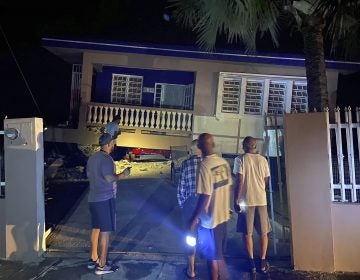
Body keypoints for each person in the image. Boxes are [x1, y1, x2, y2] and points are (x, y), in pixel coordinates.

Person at [189, 133, 232, 280]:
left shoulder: (204, 166)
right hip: (223, 218)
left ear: (199, 147)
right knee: (218, 255)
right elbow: (227, 188)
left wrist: (194, 219)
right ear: (213, 145)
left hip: (209, 222)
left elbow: (205, 196)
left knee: (213, 259)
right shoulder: (224, 163)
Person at [86, 133, 131, 275]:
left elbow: (88, 175)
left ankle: (93, 258)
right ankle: (102, 265)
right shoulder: (106, 159)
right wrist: (123, 175)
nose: (114, 145)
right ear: (108, 144)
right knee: (105, 232)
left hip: (93, 198)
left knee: (96, 228)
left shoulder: (92, 158)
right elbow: (110, 178)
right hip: (105, 199)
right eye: (113, 143)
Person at [233, 136, 271, 274]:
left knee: (247, 233)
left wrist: (236, 200)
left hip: (246, 201)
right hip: (261, 200)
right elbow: (266, 180)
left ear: (244, 146)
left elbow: (240, 181)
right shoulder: (263, 160)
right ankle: (262, 261)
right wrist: (259, 188)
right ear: (255, 146)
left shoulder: (240, 159)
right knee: (263, 232)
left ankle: (251, 262)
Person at [177, 139, 202, 279]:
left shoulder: (186, 164)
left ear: (192, 150)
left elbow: (180, 190)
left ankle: (191, 270)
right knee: (205, 233)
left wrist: (183, 205)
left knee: (190, 237)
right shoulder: (207, 164)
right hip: (205, 203)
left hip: (190, 204)